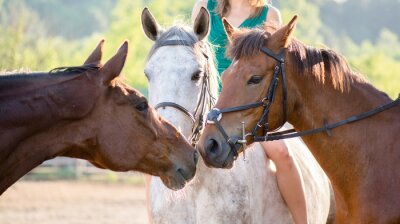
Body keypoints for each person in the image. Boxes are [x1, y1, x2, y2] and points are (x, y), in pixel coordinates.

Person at [192, 1, 308, 224]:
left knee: (283, 154)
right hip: (208, 99)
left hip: (249, 103)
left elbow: (272, 69)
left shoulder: (269, 14)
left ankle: (304, 221)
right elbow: (194, 56)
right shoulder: (205, 7)